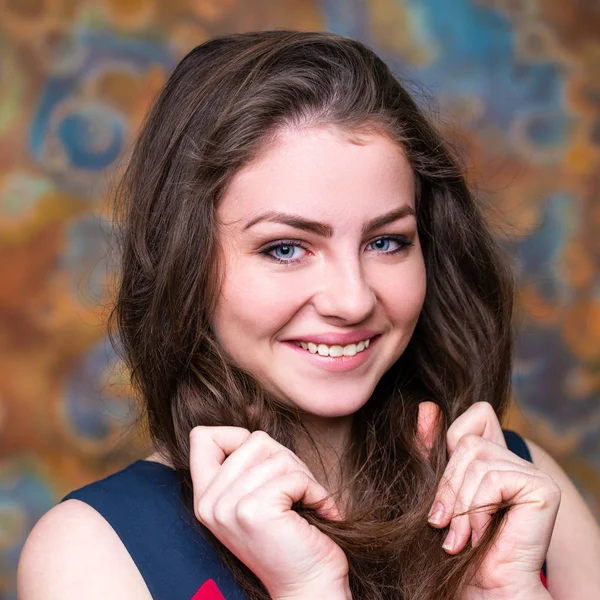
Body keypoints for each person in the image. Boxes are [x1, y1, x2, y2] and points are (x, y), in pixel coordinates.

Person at [16, 30, 600, 600]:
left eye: (387, 242)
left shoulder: (523, 490)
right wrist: (309, 588)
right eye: (285, 248)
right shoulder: (93, 551)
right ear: (185, 263)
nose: (352, 300)